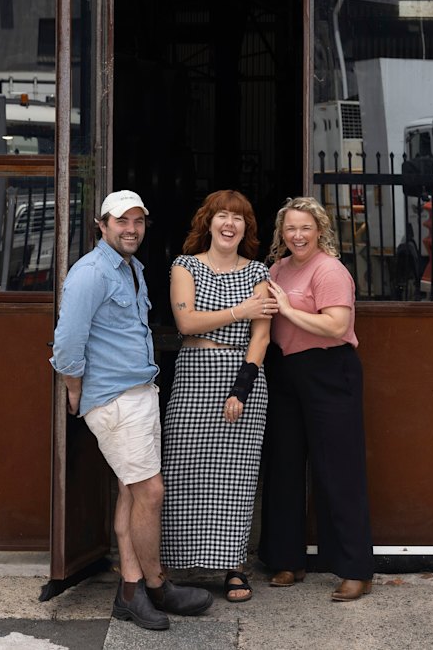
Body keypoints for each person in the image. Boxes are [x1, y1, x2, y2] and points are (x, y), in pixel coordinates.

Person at [50, 190, 213, 631]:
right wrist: (75, 389)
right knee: (151, 492)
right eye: (122, 221)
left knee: (130, 490)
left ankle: (130, 590)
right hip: (115, 398)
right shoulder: (91, 273)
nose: (131, 229)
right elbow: (66, 343)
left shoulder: (131, 268)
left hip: (139, 391)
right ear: (101, 225)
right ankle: (157, 585)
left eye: (138, 221)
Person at [161, 189, 277, 603]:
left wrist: (240, 389)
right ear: (207, 222)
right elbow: (186, 321)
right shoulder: (185, 266)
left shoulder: (260, 274)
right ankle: (173, 564)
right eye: (222, 216)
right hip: (194, 376)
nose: (230, 224)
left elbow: (261, 338)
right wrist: (239, 312)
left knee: (236, 479)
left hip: (241, 381)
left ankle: (234, 567)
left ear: (247, 228)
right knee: (183, 471)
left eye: (238, 218)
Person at [258, 196, 374, 601]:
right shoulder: (277, 268)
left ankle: (355, 569)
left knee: (338, 471)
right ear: (282, 233)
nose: (297, 235)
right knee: (284, 465)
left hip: (329, 370)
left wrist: (288, 309)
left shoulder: (330, 270)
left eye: (305, 227)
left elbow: (337, 325)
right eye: (290, 228)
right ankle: (287, 559)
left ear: (320, 230)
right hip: (286, 371)